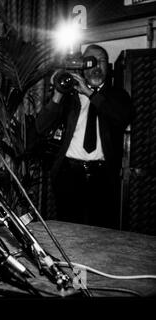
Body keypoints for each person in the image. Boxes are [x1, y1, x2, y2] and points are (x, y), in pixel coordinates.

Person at [36, 44, 132, 229]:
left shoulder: (117, 95)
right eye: (90, 62)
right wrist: (57, 93)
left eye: (101, 61)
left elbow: (120, 117)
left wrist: (89, 93)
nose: (96, 66)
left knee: (100, 233)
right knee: (69, 232)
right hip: (68, 174)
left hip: (103, 177)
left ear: (108, 66)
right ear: (81, 67)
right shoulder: (69, 97)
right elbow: (41, 126)